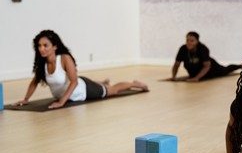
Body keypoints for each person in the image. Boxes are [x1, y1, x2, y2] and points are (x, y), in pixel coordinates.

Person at [15, 30, 148, 109]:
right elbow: (34, 82)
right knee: (101, 85)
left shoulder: (65, 58)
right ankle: (102, 82)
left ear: (55, 47)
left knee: (112, 90)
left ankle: (134, 84)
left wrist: (61, 102)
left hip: (83, 90)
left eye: (45, 45)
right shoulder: (42, 63)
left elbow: (74, 82)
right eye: (39, 46)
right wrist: (26, 99)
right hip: (71, 91)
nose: (41, 48)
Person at [169, 31, 242, 82]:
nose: (189, 42)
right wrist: (173, 77)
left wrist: (196, 78)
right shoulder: (183, 49)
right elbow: (176, 64)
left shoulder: (203, 49)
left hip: (212, 68)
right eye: (187, 40)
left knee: (225, 70)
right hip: (195, 71)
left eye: (192, 41)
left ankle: (239, 66)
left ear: (197, 41)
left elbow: (206, 66)